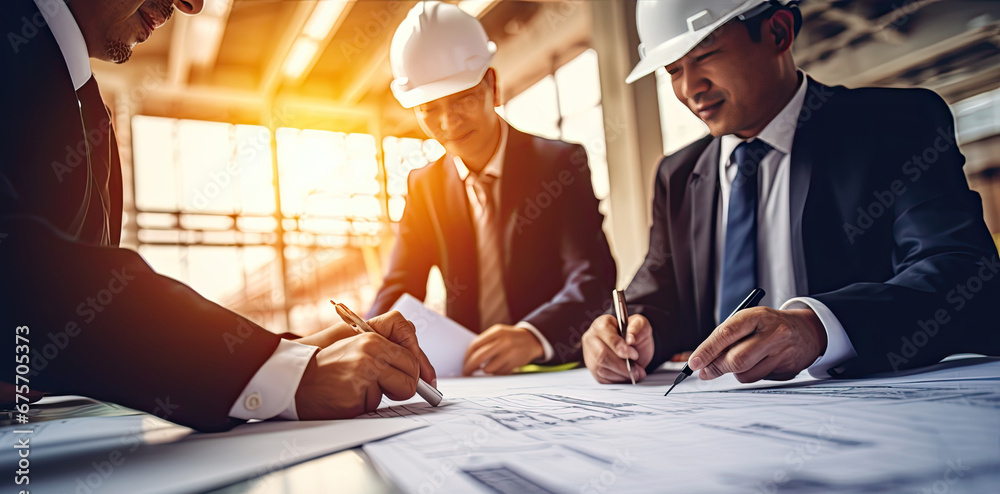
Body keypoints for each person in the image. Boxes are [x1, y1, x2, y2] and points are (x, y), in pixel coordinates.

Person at [0, 0, 436, 432]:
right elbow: (21, 273)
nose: (192, 5)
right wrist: (275, 371)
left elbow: (76, 320)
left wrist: (294, 353)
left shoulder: (86, 105)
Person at [582, 0, 1000, 384]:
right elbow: (659, 292)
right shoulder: (678, 175)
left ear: (778, 33)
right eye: (672, 70)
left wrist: (819, 328)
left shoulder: (894, 127)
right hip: (713, 420)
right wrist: (630, 333)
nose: (690, 88)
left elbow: (963, 274)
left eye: (705, 56)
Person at [370, 2, 616, 375]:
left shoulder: (559, 164)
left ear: (492, 86)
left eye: (461, 99)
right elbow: (399, 286)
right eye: (429, 109)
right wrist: (368, 337)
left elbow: (592, 277)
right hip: (471, 377)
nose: (448, 123)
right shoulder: (425, 186)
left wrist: (533, 335)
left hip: (554, 368)